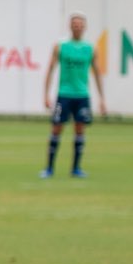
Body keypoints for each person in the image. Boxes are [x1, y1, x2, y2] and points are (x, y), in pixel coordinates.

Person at [41, 11, 107, 179]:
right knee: (56, 129)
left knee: (80, 130)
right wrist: (46, 94)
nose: (77, 27)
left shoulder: (90, 48)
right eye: (75, 24)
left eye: (80, 25)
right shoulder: (61, 46)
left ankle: (76, 168)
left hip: (82, 96)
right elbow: (50, 69)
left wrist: (102, 99)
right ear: (70, 26)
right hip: (63, 95)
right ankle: (49, 168)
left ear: (84, 27)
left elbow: (97, 73)